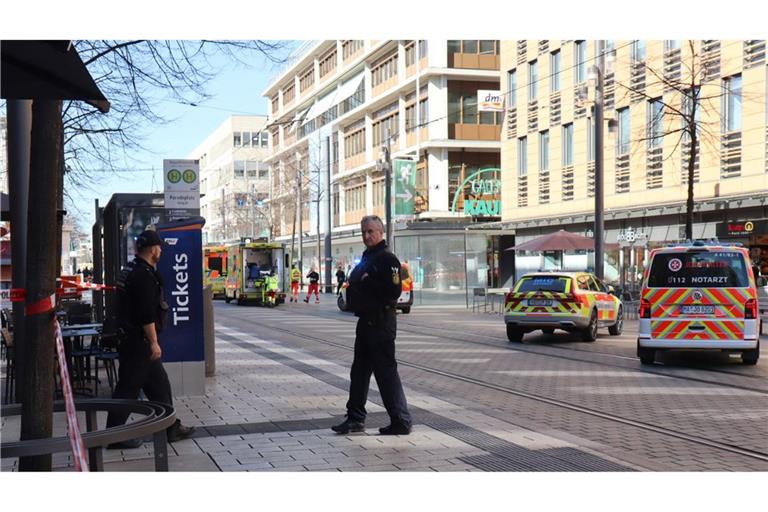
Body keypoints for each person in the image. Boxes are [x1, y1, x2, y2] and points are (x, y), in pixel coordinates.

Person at [106, 229, 195, 449]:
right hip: (138, 343)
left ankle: (170, 427)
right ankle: (114, 435)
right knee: (127, 389)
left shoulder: (132, 270)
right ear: (154, 249)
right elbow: (146, 314)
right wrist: (154, 342)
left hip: (132, 341)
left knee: (160, 387)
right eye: (160, 248)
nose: (161, 251)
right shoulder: (143, 276)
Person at [332, 215, 412, 436]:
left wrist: (368, 281)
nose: (366, 235)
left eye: (370, 231)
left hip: (381, 323)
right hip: (365, 322)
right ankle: (355, 418)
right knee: (359, 372)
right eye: (363, 231)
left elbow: (394, 292)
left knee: (385, 373)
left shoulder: (387, 259)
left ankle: (401, 421)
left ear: (380, 232)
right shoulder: (368, 257)